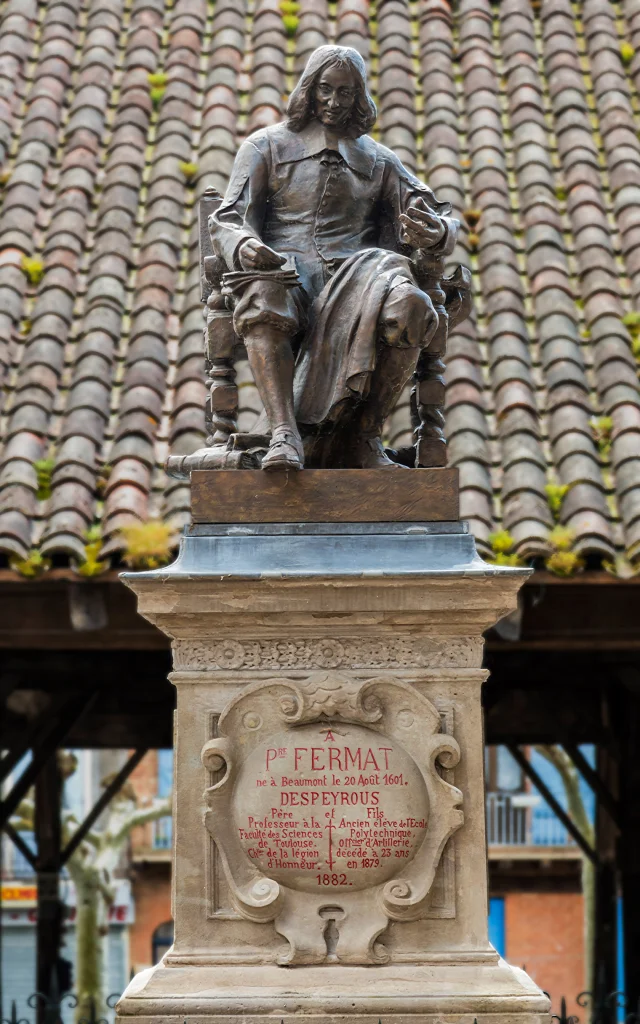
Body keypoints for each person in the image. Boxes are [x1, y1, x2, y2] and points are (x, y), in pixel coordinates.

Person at [209, 45, 458, 471]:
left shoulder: (379, 161)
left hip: (361, 275)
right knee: (264, 294)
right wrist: (246, 246)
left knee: (413, 306)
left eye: (346, 93)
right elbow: (227, 219)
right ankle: (285, 436)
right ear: (308, 89)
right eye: (325, 89)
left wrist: (437, 232)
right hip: (285, 272)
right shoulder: (265, 146)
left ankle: (364, 438)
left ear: (359, 97)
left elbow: (440, 215)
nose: (334, 102)